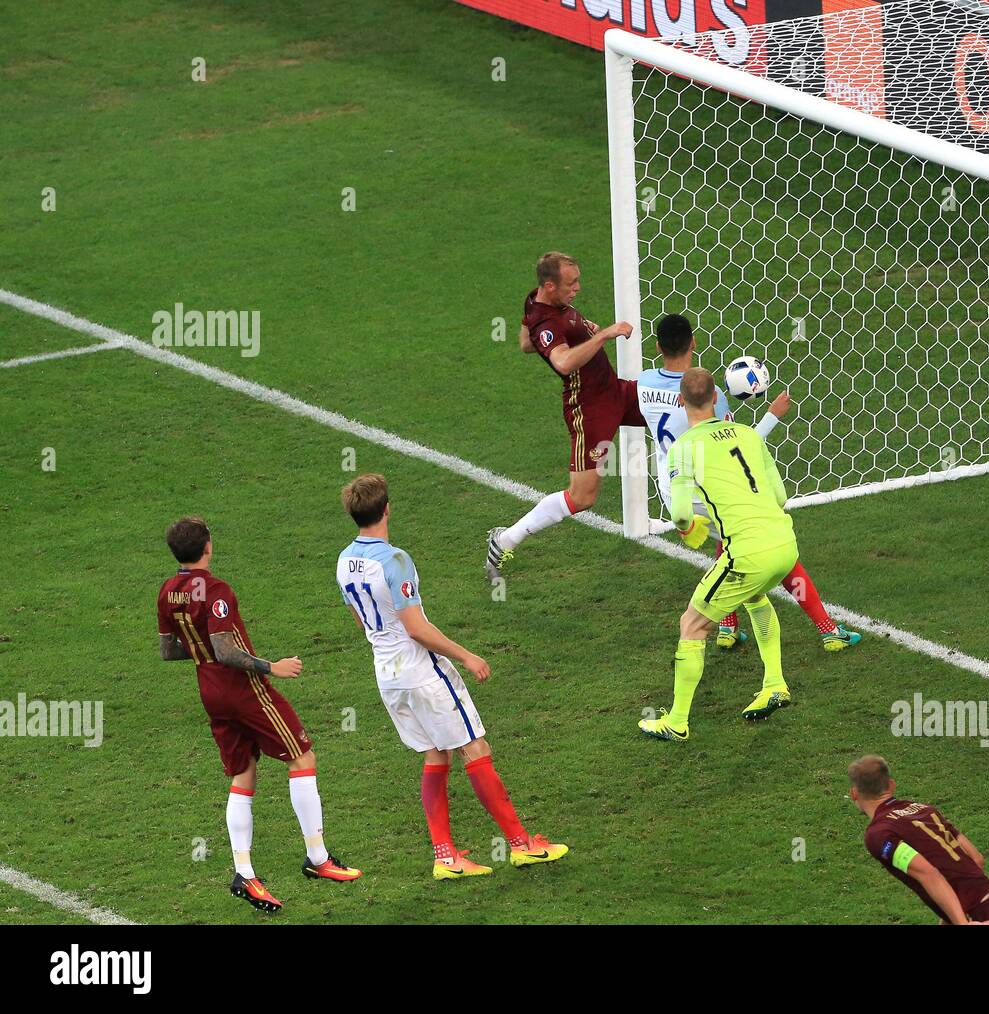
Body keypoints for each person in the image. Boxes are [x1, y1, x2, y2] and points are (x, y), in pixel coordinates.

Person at [339, 474, 567, 878]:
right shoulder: (395, 560)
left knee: (434, 753)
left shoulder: (343, 561)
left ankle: (446, 857)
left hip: (386, 674)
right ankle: (521, 845)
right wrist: (466, 655)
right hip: (419, 670)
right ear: (387, 508)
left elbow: (363, 623)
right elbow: (415, 627)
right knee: (474, 748)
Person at [157, 516, 361, 914]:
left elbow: (169, 649)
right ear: (208, 547)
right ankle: (318, 859)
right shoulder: (216, 590)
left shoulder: (167, 591)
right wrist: (273, 667)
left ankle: (244, 873)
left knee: (243, 772)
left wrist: (202, 652)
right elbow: (226, 649)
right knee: (302, 756)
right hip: (241, 689)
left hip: (209, 692)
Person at [635, 313, 861, 652]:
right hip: (705, 486)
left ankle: (727, 627)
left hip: (674, 488)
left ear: (656, 346)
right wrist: (772, 415)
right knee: (774, 549)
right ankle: (830, 631)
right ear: (694, 342)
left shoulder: (644, 382)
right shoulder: (718, 401)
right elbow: (737, 444)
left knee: (727, 542)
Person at [639, 368, 800, 742]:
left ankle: (677, 720)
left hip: (746, 553)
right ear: (716, 398)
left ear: (681, 402)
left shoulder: (682, 449)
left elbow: (680, 513)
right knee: (755, 596)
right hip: (784, 542)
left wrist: (689, 528)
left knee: (691, 625)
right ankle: (774, 683)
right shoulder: (746, 434)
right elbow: (779, 497)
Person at [486, 251, 643, 582]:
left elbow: (526, 345)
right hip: (589, 409)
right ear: (550, 285)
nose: (578, 289)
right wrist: (602, 336)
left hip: (615, 391)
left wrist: (584, 329)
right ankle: (505, 539)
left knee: (677, 406)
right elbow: (563, 363)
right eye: (571, 284)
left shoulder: (541, 305)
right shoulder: (547, 322)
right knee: (583, 496)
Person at [849, 754, 989, 925]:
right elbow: (976, 859)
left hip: (978, 917)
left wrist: (962, 922)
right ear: (891, 785)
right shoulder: (925, 810)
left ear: (854, 793)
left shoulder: (879, 834)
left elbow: (928, 873)